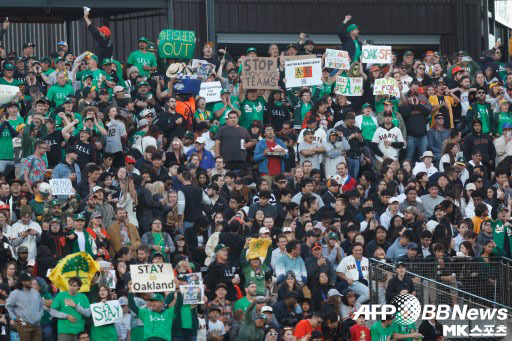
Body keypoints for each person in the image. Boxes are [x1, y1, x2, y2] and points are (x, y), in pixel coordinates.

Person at [6, 272, 44, 341]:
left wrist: (39, 316)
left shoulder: (36, 292)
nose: (31, 282)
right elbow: (8, 306)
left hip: (37, 326)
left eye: (31, 280)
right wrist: (15, 318)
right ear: (23, 282)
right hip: (24, 326)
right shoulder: (15, 293)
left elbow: (41, 306)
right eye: (28, 280)